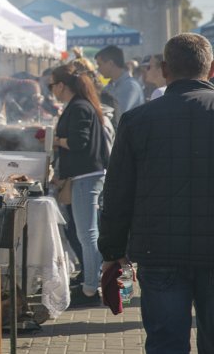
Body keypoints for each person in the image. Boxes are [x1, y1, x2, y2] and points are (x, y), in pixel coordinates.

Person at [98, 33, 214, 353]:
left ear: (164, 70)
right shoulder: (136, 120)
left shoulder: (137, 120)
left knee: (165, 344)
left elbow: (118, 191)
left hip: (158, 251)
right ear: (212, 68)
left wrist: (111, 252)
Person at [49, 63, 110, 305]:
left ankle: (91, 289)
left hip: (87, 176)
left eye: (52, 85)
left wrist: (56, 140)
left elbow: (78, 142)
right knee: (87, 233)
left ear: (62, 85)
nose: (51, 89)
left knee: (87, 234)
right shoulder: (78, 106)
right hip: (84, 176)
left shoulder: (79, 108)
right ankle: (90, 282)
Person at [95, 45, 145, 113]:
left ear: (111, 63)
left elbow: (118, 114)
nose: (98, 69)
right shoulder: (109, 87)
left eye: (99, 64)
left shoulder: (130, 86)